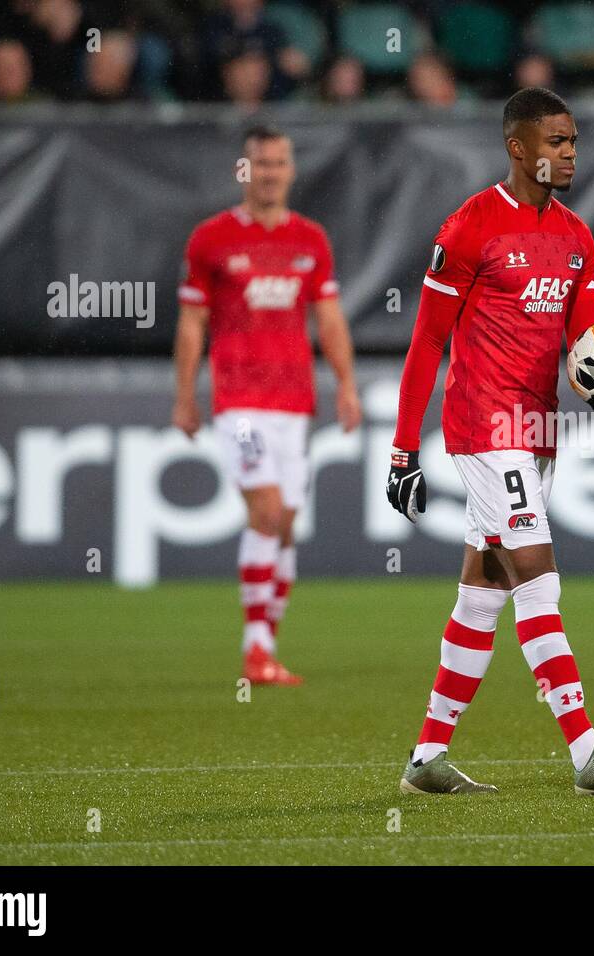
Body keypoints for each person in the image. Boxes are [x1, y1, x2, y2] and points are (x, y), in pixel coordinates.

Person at [387, 88, 594, 796]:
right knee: (539, 576)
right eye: (557, 142)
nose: (570, 154)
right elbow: (426, 344)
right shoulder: (471, 227)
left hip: (538, 435)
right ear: (518, 147)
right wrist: (402, 449)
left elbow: (584, 349)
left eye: (574, 142)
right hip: (484, 425)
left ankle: (427, 758)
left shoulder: (577, 237)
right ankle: (587, 752)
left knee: (483, 591)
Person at [173, 125, 363, 686]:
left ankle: (268, 645)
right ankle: (255, 649)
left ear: (291, 170)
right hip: (239, 402)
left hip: (294, 402)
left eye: (279, 163)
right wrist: (185, 394)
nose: (270, 173)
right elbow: (192, 321)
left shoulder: (311, 241)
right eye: (260, 163)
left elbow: (328, 318)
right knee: (266, 509)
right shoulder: (211, 239)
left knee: (285, 525)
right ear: (244, 170)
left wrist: (346, 384)